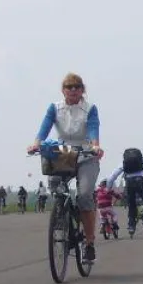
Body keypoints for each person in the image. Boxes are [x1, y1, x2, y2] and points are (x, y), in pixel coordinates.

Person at [27, 72, 103, 262]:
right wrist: (36, 143)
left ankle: (89, 242)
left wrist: (95, 145)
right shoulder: (55, 108)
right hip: (64, 153)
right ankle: (62, 216)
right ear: (63, 90)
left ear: (82, 90)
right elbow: (44, 128)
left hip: (86, 154)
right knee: (54, 185)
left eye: (77, 87)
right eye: (69, 87)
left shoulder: (90, 108)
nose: (73, 90)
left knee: (85, 194)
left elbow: (93, 127)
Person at [108, 148, 143, 237]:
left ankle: (131, 226)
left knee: (132, 205)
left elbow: (112, 176)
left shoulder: (124, 164)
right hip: (140, 182)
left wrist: (108, 188)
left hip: (129, 184)